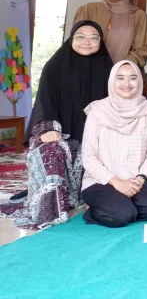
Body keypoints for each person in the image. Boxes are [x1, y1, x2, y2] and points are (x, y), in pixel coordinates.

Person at [0, 21, 113, 230]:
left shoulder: (109, 69)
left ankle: (88, 195)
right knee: (51, 150)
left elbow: (115, 105)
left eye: (93, 38)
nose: (86, 42)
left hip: (96, 134)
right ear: (71, 39)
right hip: (58, 131)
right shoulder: (55, 66)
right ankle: (50, 207)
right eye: (80, 36)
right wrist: (49, 129)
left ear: (100, 42)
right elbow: (45, 101)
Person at [81, 61, 147, 228]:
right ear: (112, 81)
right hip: (102, 181)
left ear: (139, 81)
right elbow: (88, 156)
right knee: (122, 214)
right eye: (120, 78)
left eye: (133, 78)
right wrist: (117, 182)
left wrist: (141, 178)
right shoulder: (98, 110)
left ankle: (121, 208)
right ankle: (94, 211)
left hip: (137, 179)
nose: (127, 83)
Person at [74, 0, 147, 68]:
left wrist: (117, 69)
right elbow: (77, 42)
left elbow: (142, 50)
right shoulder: (88, 10)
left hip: (121, 74)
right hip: (87, 70)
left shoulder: (138, 16)